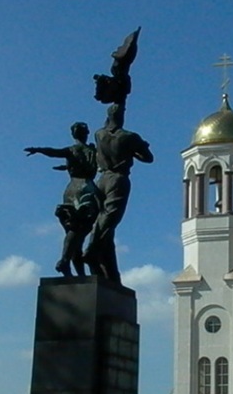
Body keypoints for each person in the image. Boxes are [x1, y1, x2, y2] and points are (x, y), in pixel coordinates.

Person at [84, 104, 153, 283]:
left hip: (102, 179)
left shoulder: (99, 134)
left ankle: (109, 272)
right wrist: (137, 149)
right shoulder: (128, 137)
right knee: (110, 219)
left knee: (101, 219)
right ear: (122, 115)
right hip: (118, 179)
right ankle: (92, 249)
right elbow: (148, 158)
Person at [25, 122, 98, 276]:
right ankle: (65, 261)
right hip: (86, 187)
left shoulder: (72, 150)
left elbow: (54, 152)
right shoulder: (93, 151)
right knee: (79, 229)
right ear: (87, 133)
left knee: (73, 230)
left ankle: (74, 268)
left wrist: (38, 150)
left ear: (73, 135)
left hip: (71, 189)